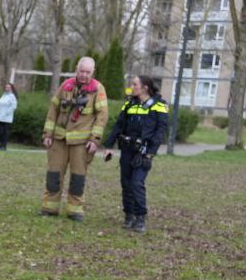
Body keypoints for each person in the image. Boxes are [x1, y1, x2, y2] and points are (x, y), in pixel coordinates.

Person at [39, 56, 109, 221]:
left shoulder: (98, 89)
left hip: (82, 143)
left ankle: (75, 210)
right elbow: (53, 110)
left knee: (78, 177)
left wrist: (94, 139)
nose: (84, 75)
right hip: (59, 139)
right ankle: (50, 208)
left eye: (87, 72)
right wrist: (47, 134)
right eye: (81, 71)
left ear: (93, 72)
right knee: (53, 174)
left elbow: (102, 116)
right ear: (76, 70)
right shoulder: (66, 85)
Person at [103, 74, 168, 234]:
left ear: (145, 87)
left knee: (136, 183)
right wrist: (109, 145)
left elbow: (160, 132)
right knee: (126, 183)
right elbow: (118, 126)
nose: (131, 86)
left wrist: (150, 153)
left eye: (134, 84)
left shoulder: (159, 105)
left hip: (143, 152)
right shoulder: (129, 104)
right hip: (127, 150)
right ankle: (129, 215)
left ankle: (140, 217)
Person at [0, 82, 17, 150]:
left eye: (8, 87)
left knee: (4, 132)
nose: (7, 88)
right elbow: (0, 105)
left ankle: (3, 146)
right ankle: (0, 144)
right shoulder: (3, 95)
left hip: (6, 118)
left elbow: (14, 106)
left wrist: (6, 113)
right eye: (6, 87)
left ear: (11, 88)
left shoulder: (12, 96)